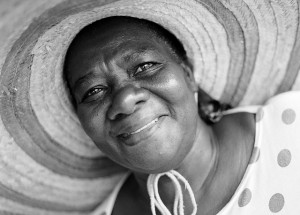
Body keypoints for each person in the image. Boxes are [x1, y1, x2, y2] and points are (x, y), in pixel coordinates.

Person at [64, 16, 300, 215]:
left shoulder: (291, 129)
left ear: (188, 75)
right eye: (93, 91)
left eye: (144, 67)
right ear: (82, 122)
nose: (125, 101)